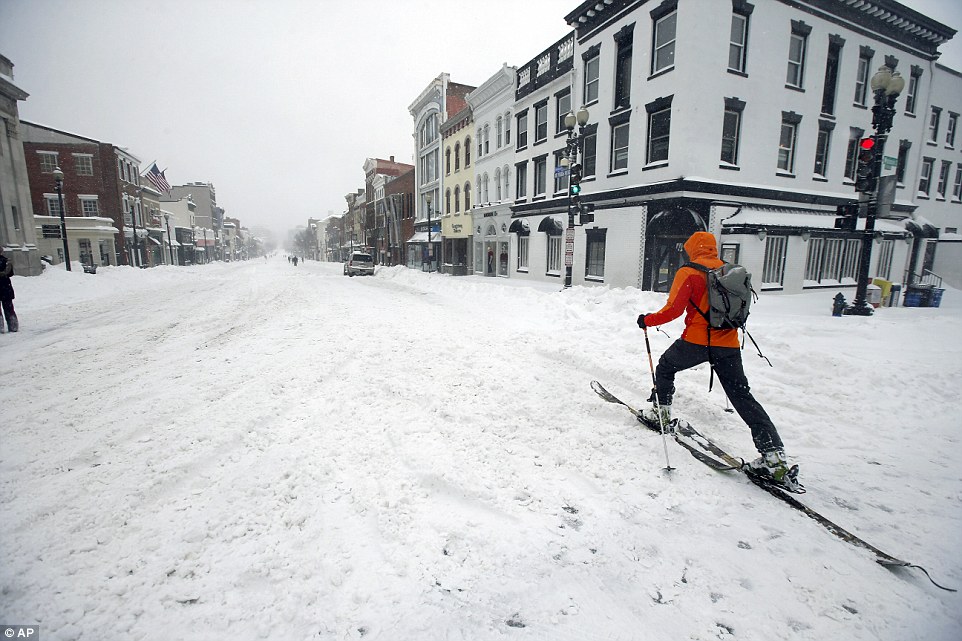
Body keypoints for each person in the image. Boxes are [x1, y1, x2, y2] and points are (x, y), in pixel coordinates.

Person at [636, 231, 795, 484]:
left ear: (691, 249)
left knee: (666, 367)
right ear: (712, 248)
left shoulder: (688, 272)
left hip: (697, 342)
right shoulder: (727, 272)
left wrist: (647, 320)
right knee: (742, 396)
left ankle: (661, 414)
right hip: (729, 344)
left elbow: (673, 310)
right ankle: (774, 457)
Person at [0, 246, 18, 332]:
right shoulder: (6, 261)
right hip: (5, 286)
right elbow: (11, 273)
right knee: (9, 308)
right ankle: (13, 325)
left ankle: (0, 327)